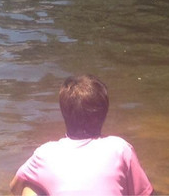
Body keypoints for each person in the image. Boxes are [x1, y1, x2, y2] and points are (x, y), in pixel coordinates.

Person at [10, 74, 154, 196]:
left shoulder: (45, 153)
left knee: (30, 185)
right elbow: (145, 193)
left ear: (63, 113)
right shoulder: (120, 148)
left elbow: (15, 187)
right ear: (104, 114)